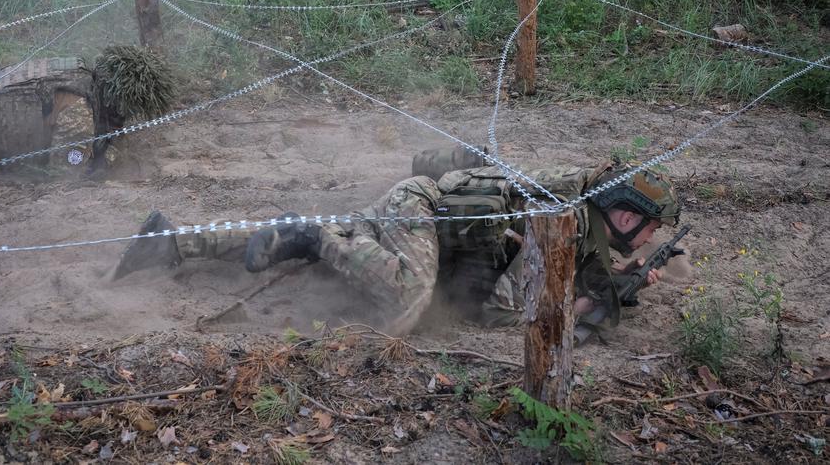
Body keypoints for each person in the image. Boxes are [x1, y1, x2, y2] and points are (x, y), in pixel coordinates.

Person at [112, 158, 681, 337]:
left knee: (345, 253)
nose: (653, 238)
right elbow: (502, 306)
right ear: (627, 217)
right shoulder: (567, 222)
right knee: (408, 300)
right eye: (653, 227)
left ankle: (171, 243)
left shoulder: (581, 227)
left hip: (423, 223)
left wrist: (619, 284)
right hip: (421, 210)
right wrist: (582, 306)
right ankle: (313, 235)